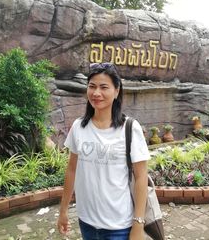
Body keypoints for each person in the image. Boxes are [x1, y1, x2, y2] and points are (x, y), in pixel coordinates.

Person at [57, 62, 150, 240]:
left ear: (116, 91)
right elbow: (71, 170)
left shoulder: (129, 128)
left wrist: (138, 223)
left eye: (103, 87)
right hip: (86, 221)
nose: (96, 93)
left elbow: (141, 176)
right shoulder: (79, 127)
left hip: (119, 225)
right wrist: (63, 210)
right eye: (92, 86)